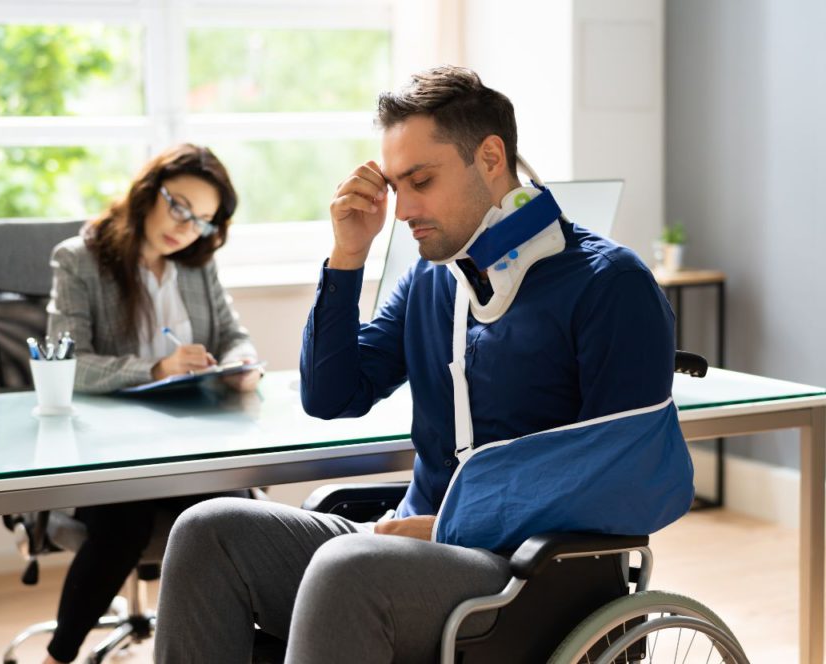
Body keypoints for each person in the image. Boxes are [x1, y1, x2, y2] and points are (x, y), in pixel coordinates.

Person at [153, 67, 692, 663]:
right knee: (207, 531)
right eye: (394, 184)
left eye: (421, 181)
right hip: (400, 550)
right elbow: (332, 396)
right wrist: (348, 256)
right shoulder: (431, 278)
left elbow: (623, 480)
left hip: (531, 577)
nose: (403, 208)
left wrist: (449, 529)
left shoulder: (610, 285)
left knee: (347, 567)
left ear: (490, 157)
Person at [41, 143, 261, 664]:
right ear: (149, 192)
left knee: (235, 517)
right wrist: (155, 369)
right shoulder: (79, 260)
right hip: (111, 451)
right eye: (180, 206)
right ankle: (59, 656)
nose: (186, 228)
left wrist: (242, 364)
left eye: (202, 221)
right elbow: (66, 363)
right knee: (126, 518)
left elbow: (232, 334)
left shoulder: (196, 266)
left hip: (190, 442)